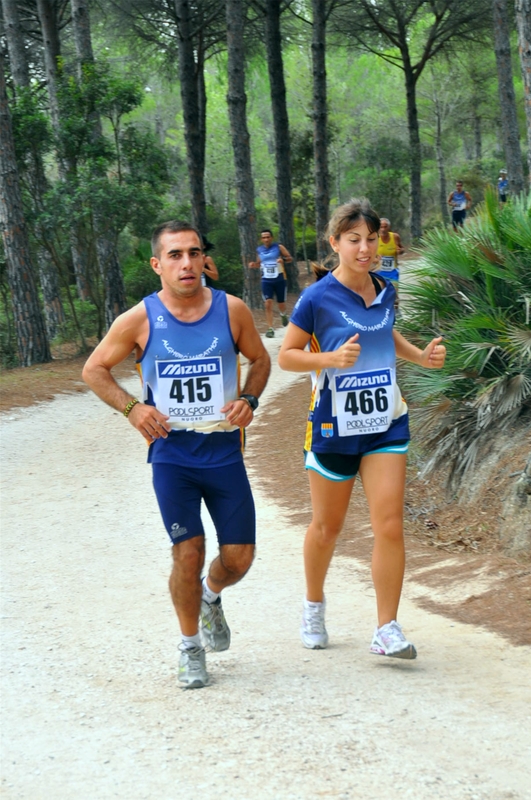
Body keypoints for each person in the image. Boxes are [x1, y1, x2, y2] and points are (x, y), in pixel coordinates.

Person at [82, 220, 271, 689]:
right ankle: (190, 647)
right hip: (173, 455)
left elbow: (261, 360)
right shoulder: (139, 319)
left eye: (193, 253)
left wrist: (248, 399)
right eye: (174, 255)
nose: (186, 263)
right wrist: (132, 407)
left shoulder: (232, 310)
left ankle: (211, 595)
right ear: (157, 264)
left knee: (239, 558)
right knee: (188, 551)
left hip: (224, 451)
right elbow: (94, 369)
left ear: (203, 258)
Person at [278, 198, 446, 660]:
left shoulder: (387, 287)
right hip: (334, 427)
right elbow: (287, 355)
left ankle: (386, 627)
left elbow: (384, 333)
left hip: (386, 423)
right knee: (326, 527)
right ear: (335, 243)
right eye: (354, 240)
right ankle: (314, 605)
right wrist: (328, 359)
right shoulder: (316, 298)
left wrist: (420, 357)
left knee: (390, 524)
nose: (365, 248)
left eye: (371, 239)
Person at [249, 229, 294, 338]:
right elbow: (259, 263)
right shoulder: (259, 250)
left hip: (279, 278)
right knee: (268, 303)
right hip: (266, 279)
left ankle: (283, 314)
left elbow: (290, 259)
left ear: (271, 238)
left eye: (268, 237)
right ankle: (270, 328)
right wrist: (254, 265)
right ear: (261, 239)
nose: (266, 239)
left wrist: (283, 259)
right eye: (264, 237)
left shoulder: (278, 247)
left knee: (281, 303)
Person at [374, 218, 404, 283]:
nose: (383, 229)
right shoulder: (374, 238)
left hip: (393, 271)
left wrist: (400, 251)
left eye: (385, 227)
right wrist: (376, 259)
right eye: (381, 227)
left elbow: (402, 249)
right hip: (379, 271)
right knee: (382, 292)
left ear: (389, 227)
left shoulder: (395, 237)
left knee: (393, 291)